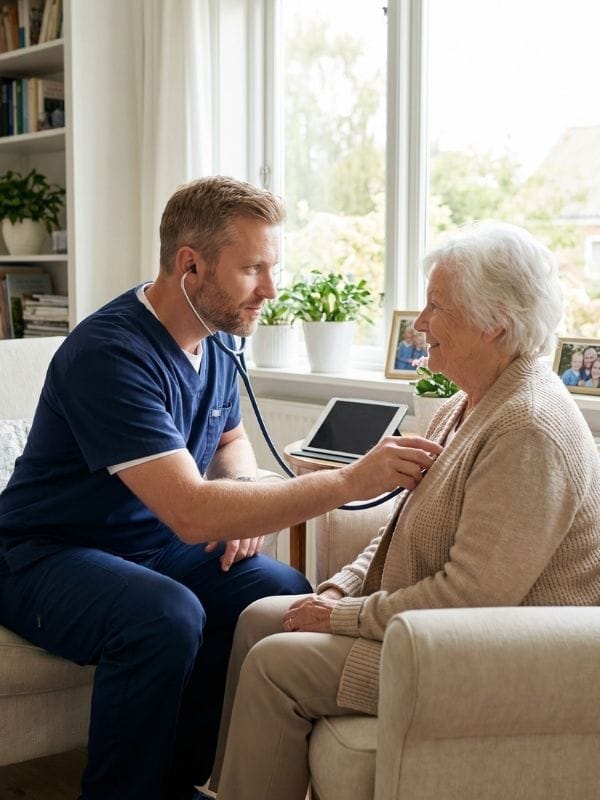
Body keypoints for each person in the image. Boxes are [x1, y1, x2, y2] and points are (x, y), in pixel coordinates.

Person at [0, 176, 442, 800]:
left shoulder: (219, 337)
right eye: (253, 269)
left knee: (277, 590)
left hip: (144, 545)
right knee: (163, 615)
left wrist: (241, 495)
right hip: (42, 554)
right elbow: (189, 510)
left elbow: (229, 438)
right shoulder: (110, 354)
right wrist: (350, 480)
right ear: (190, 266)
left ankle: (179, 780)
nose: (271, 289)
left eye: (273, 267)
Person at [210, 221, 600, 800]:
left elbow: (472, 600)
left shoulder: (528, 430)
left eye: (435, 306)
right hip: (423, 631)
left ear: (494, 322)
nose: (419, 325)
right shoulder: (469, 403)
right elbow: (396, 530)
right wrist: (341, 589)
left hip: (487, 657)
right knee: (258, 616)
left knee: (276, 665)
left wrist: (341, 618)